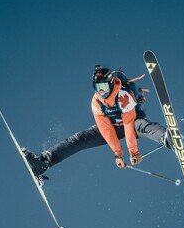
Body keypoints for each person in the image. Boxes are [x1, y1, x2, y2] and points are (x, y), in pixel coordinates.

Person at [22, 65, 174, 177]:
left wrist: (133, 153)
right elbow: (106, 129)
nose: (101, 91)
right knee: (80, 138)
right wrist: (118, 154)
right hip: (112, 127)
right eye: (97, 87)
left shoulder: (123, 96)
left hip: (131, 123)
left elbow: (128, 125)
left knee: (142, 126)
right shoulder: (96, 101)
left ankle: (167, 138)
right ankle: (43, 163)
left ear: (110, 83)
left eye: (103, 86)